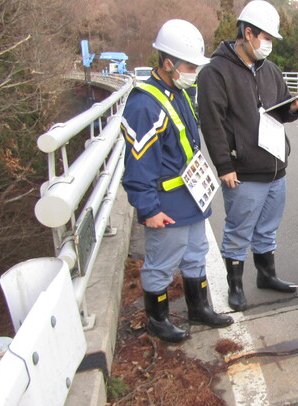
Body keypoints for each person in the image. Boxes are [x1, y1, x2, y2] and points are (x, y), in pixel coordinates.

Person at [121, 19, 233, 343]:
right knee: (161, 264)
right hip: (166, 204)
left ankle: (199, 309)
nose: (194, 71)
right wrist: (148, 209)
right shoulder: (145, 103)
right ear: (168, 62)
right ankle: (157, 321)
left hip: (192, 196)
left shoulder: (180, 91)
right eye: (189, 65)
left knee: (197, 252)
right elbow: (138, 165)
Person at [197, 0, 298, 311]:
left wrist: (293, 107)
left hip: (275, 169)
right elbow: (212, 123)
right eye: (266, 38)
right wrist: (224, 165)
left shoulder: (271, 70)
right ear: (248, 33)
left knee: (267, 227)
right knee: (238, 230)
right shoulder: (215, 72)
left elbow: (280, 112)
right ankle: (235, 286)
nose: (269, 45)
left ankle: (266, 275)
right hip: (244, 172)